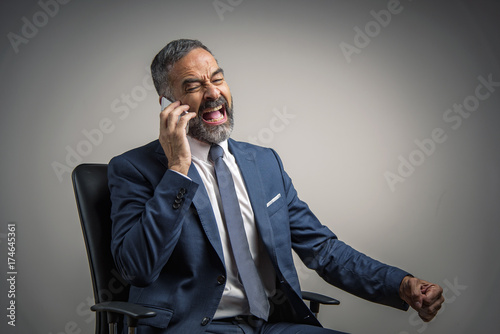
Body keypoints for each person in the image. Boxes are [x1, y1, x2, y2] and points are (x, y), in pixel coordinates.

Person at [108, 39, 444, 334]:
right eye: (194, 85)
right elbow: (137, 268)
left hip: (272, 325)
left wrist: (401, 285)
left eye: (218, 79)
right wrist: (177, 170)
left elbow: (323, 250)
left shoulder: (264, 163)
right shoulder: (134, 170)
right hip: (193, 327)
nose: (213, 93)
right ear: (168, 104)